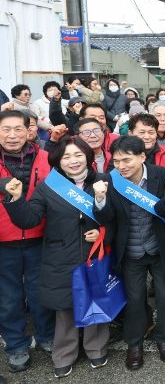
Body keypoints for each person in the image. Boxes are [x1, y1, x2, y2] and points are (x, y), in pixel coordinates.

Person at [3, 136, 108, 378]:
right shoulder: (49, 186)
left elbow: (115, 217)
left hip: (94, 254)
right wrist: (16, 199)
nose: (73, 161)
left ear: (88, 157)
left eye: (78, 155)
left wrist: (103, 232)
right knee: (65, 308)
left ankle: (96, 348)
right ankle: (64, 354)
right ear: (58, 161)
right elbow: (29, 219)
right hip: (60, 255)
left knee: (94, 301)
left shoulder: (102, 180)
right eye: (66, 156)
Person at [93, 136, 165, 371]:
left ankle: (164, 339)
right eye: (116, 161)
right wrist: (100, 199)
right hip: (130, 251)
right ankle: (134, 344)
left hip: (159, 248)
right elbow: (106, 217)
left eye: (127, 160)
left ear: (142, 156)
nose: (121, 166)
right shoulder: (108, 181)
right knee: (134, 299)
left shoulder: (163, 176)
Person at [0, 110, 55, 373]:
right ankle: (16, 345)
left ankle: (47, 336)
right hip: (3, 241)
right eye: (6, 129)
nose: (12, 135)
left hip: (39, 237)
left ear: (29, 131)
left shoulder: (45, 157)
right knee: (8, 298)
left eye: (18, 129)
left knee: (40, 291)